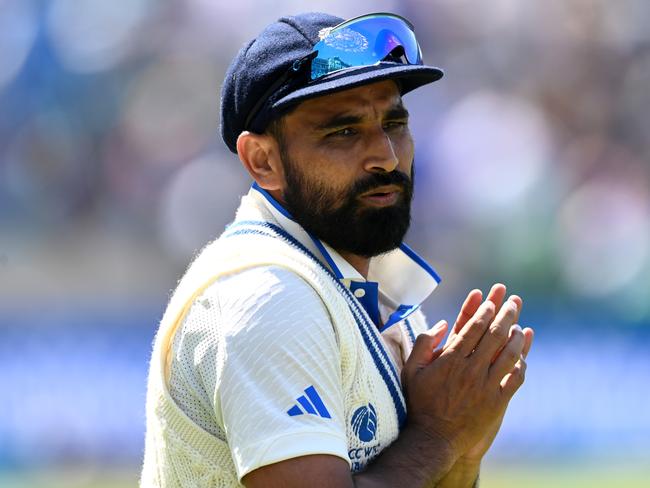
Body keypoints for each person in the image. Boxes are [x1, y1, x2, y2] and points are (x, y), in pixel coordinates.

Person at [141, 11, 534, 488]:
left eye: (394, 123)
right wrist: (439, 435)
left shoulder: (363, 284)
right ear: (262, 161)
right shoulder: (267, 295)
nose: (386, 156)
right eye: (343, 132)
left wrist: (462, 454)